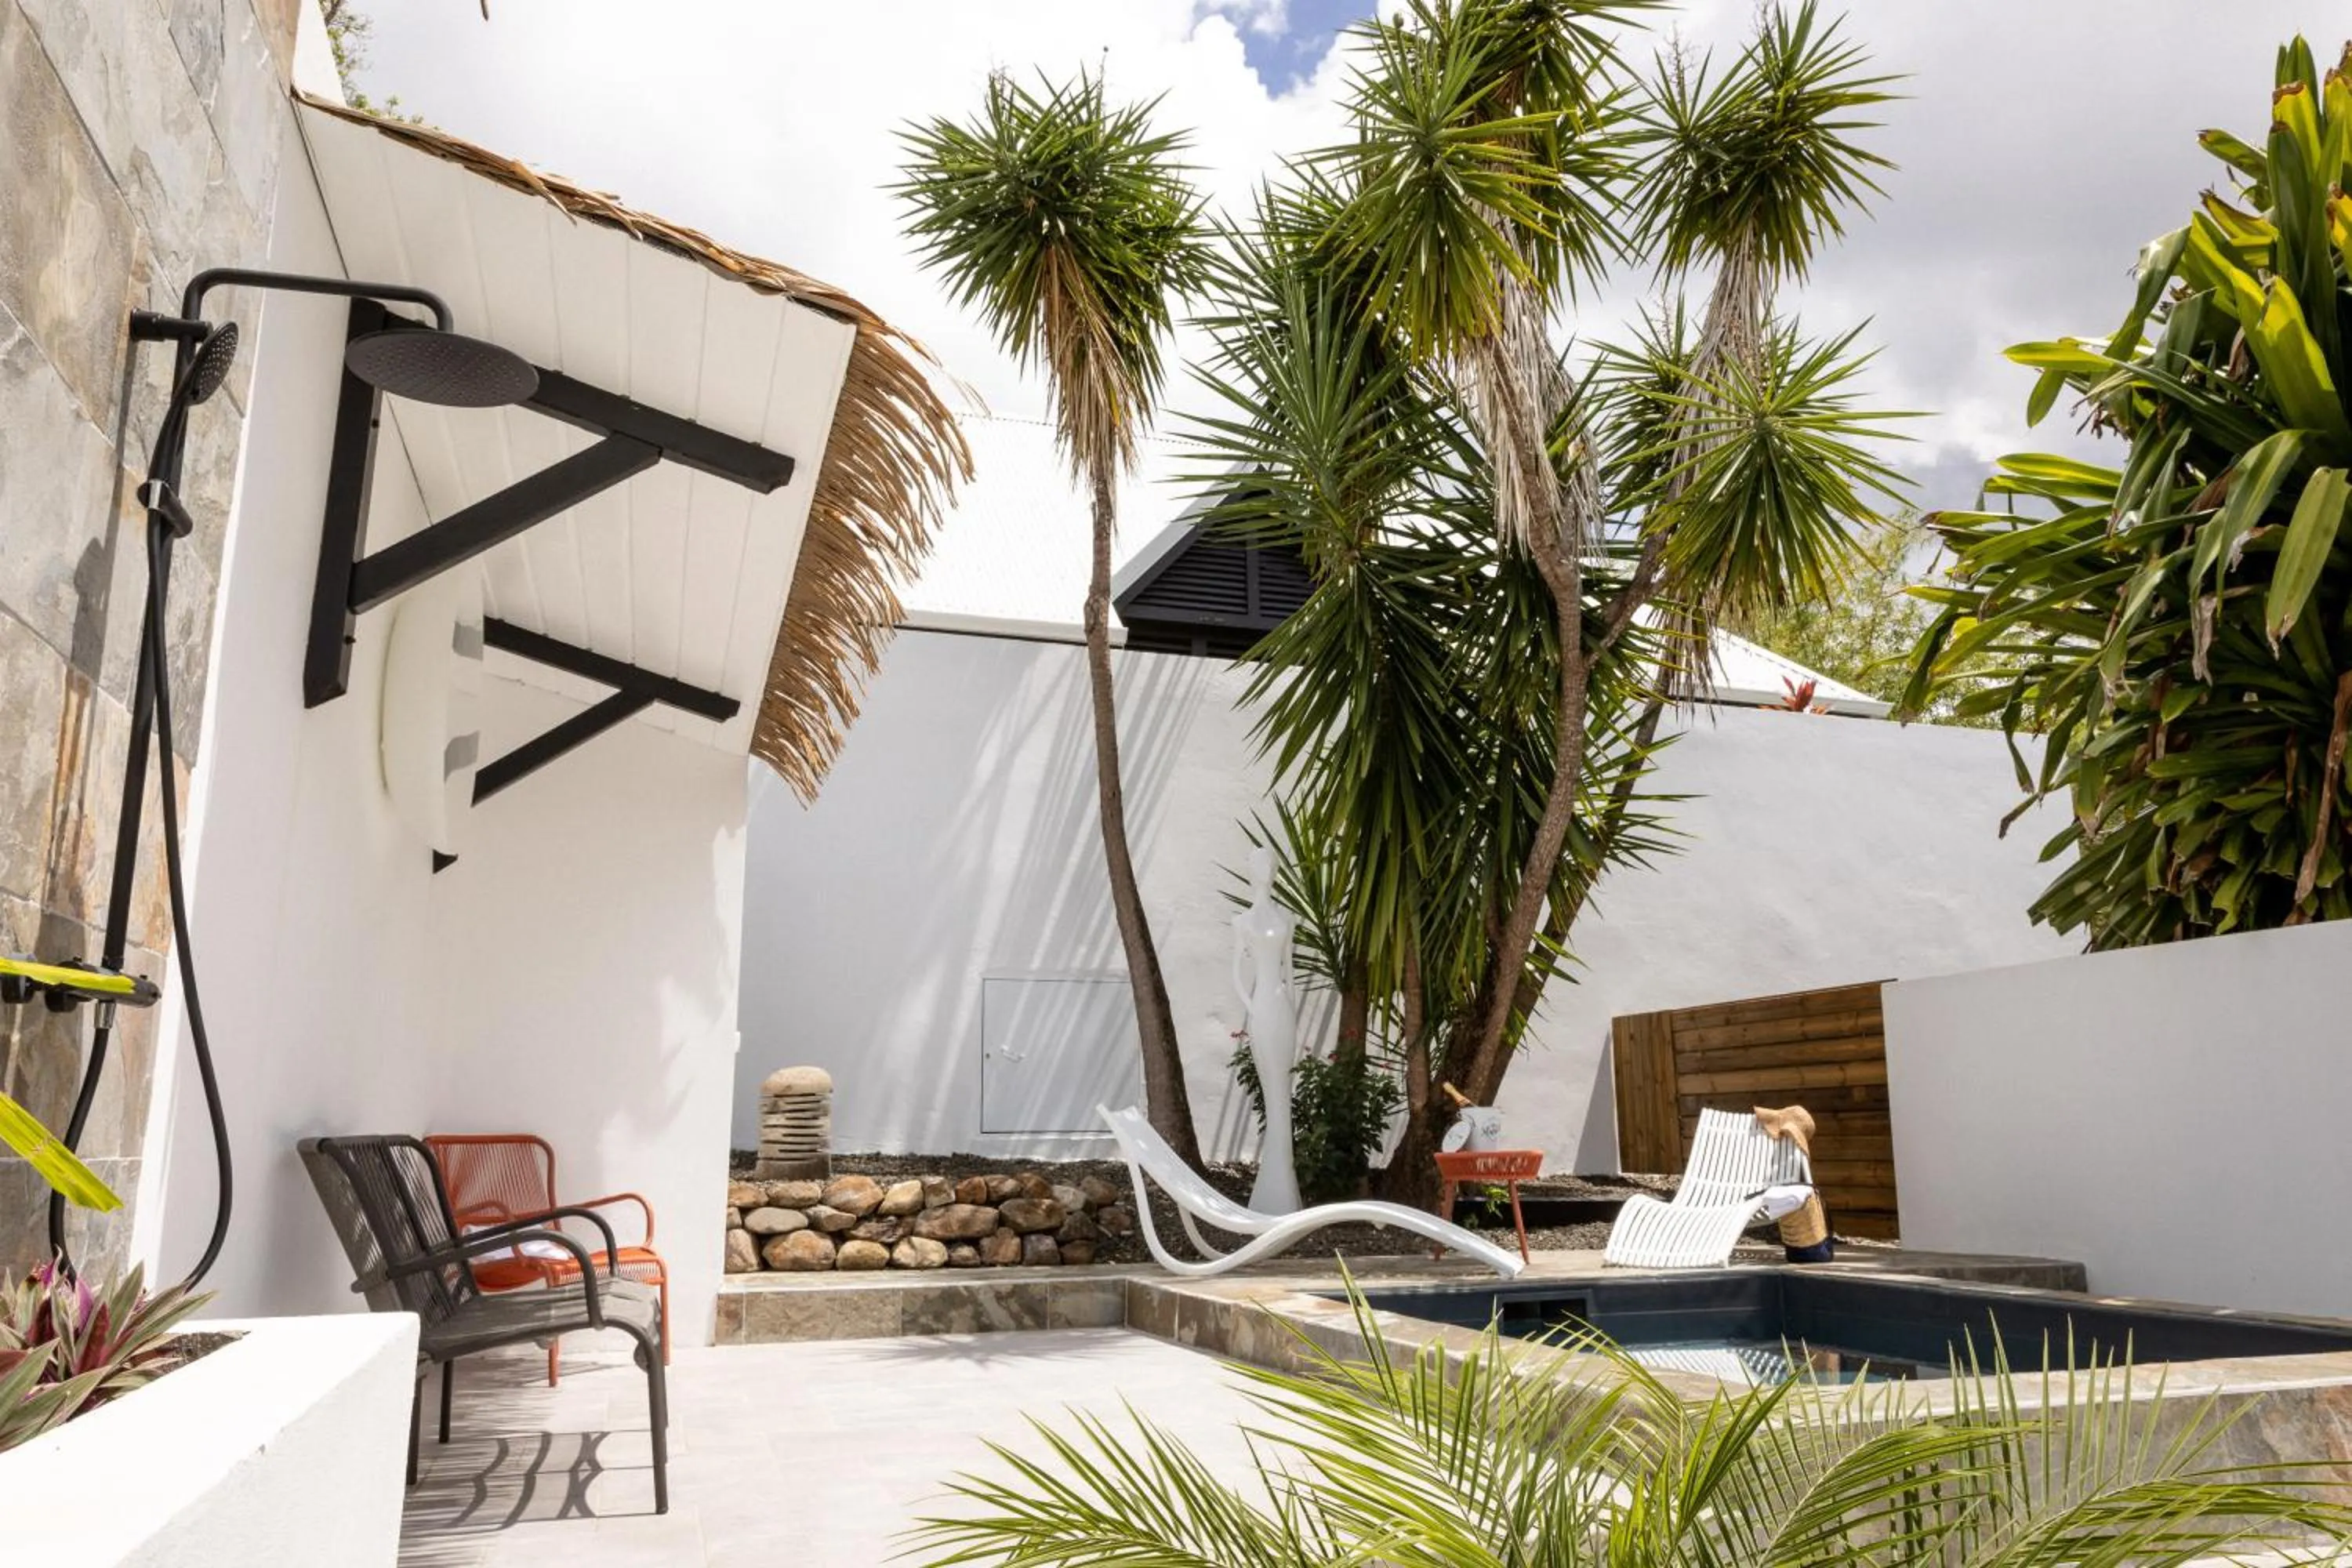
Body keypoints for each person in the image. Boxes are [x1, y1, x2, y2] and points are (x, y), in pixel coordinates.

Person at [1753, 1105, 1834, 1263]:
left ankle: (1806, 1251)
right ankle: (1811, 1249)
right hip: (1769, 1196)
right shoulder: (1791, 1154)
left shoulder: (1757, 1141)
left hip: (1758, 1196)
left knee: (1795, 1199)